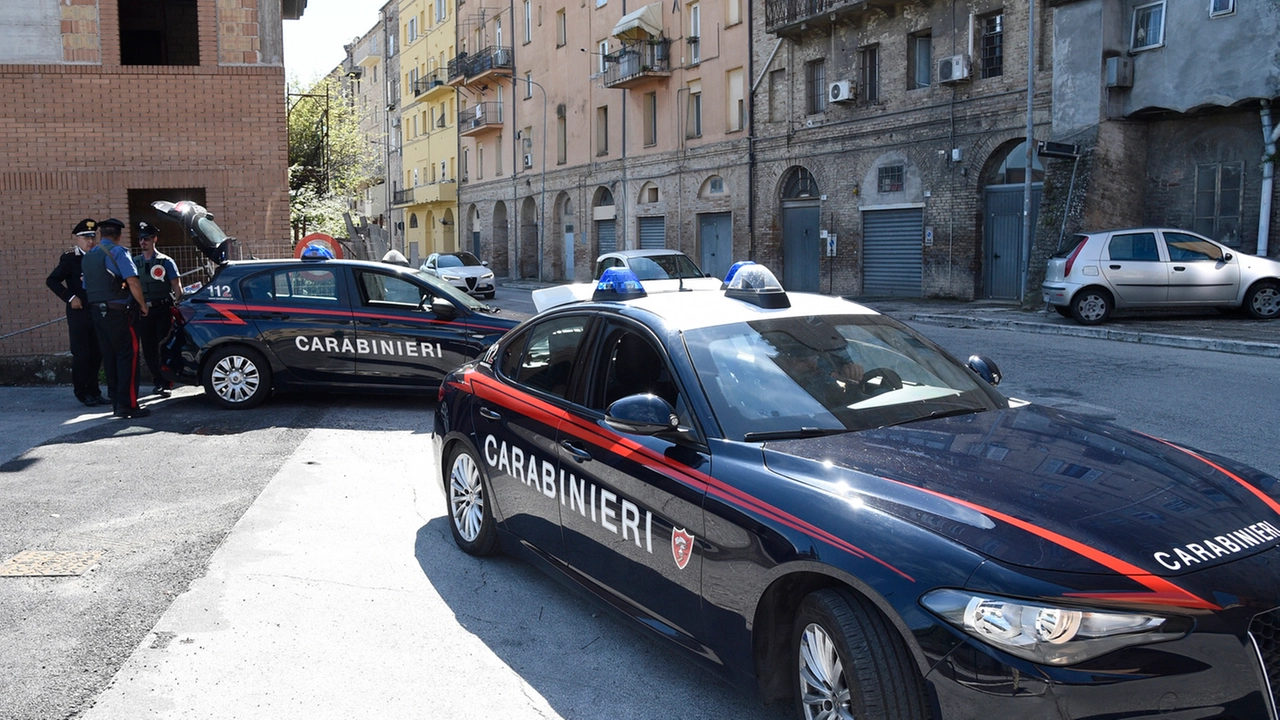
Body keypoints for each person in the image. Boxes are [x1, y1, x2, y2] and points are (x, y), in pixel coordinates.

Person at [82, 217, 150, 419]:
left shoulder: (88, 257)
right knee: (128, 356)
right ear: (118, 235)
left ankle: (116, 401)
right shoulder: (118, 252)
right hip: (119, 313)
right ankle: (128, 404)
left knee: (110, 357)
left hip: (97, 313)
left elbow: (87, 287)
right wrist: (142, 305)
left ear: (101, 234)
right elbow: (133, 281)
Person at [45, 219, 105, 406]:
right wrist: (71, 298)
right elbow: (52, 280)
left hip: (96, 311)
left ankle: (95, 391)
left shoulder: (98, 255)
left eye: (92, 237)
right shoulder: (70, 258)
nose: (90, 241)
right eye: (85, 238)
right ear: (77, 239)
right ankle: (82, 392)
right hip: (79, 313)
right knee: (82, 354)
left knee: (97, 353)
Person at [132, 221, 182, 397]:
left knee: (163, 344)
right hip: (144, 310)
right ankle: (156, 379)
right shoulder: (134, 262)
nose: (143, 242)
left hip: (162, 308)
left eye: (146, 238)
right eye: (140, 239)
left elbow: (176, 285)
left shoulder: (165, 261)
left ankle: (166, 381)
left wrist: (179, 304)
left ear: (154, 239)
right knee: (148, 346)